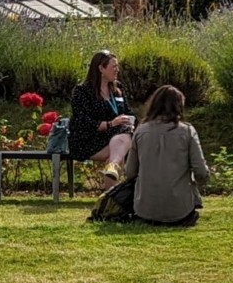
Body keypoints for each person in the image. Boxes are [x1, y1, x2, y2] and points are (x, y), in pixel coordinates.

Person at [124, 85, 210, 227]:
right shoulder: (187, 131)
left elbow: (130, 172)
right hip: (181, 211)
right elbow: (200, 171)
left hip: (145, 210)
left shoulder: (140, 131)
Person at [68, 50, 137, 185]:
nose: (117, 70)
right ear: (100, 68)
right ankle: (114, 174)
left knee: (121, 141)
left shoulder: (118, 88)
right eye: (114, 66)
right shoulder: (82, 91)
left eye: (117, 66)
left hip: (115, 137)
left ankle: (111, 178)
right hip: (87, 139)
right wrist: (110, 124)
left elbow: (128, 111)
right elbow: (82, 122)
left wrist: (131, 120)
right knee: (122, 145)